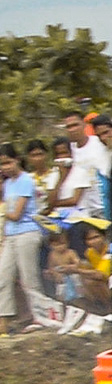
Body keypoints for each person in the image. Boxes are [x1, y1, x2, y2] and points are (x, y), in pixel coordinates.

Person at [1, 143, 46, 335]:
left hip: (27, 232)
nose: (5, 167)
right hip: (11, 234)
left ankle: (41, 316)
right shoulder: (7, 184)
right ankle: (4, 320)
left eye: (8, 163)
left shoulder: (26, 180)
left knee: (29, 277)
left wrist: (2, 209)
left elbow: (16, 213)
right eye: (2, 165)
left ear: (17, 160)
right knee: (3, 276)